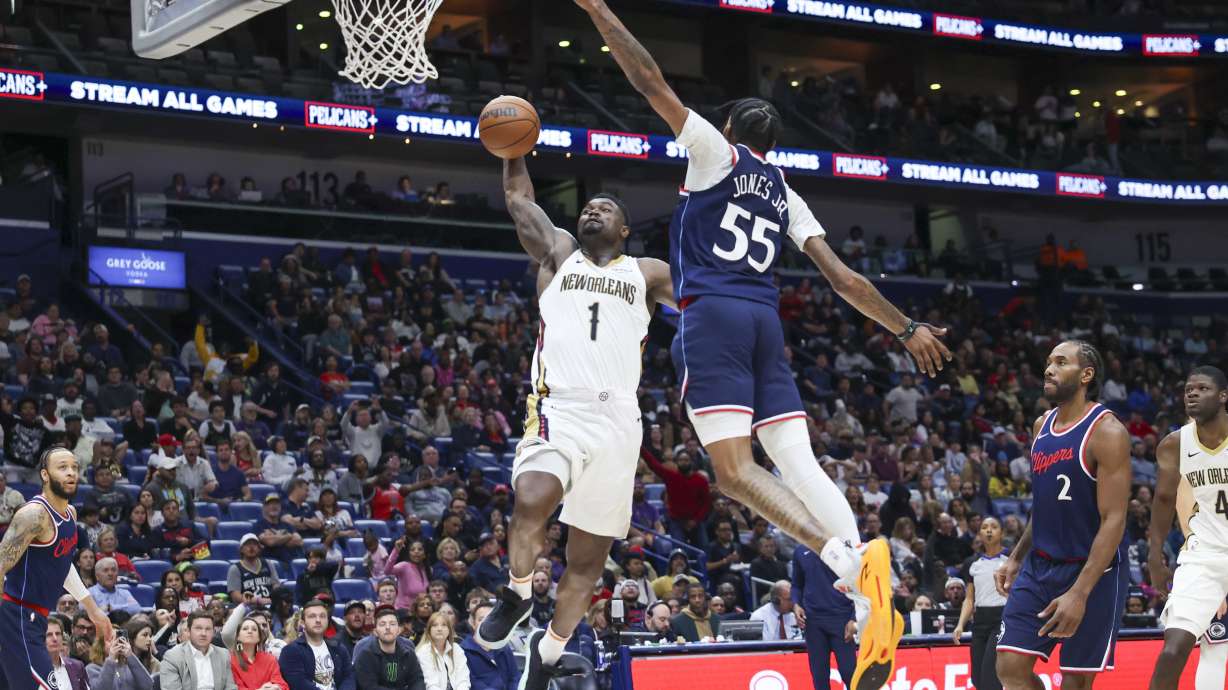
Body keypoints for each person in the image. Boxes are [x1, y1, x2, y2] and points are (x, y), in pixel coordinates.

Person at [575, 2, 952, 685]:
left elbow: (650, 81)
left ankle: (843, 562)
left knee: (732, 472)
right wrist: (906, 327)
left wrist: (600, 10)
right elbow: (843, 281)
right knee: (798, 463)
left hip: (715, 318)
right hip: (764, 322)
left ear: (728, 130)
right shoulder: (785, 194)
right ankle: (870, 600)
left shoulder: (714, 153)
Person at [473, 133, 674, 690]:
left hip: (619, 423)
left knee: (586, 563)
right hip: (559, 407)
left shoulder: (648, 273)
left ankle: (549, 652)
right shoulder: (558, 252)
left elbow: (704, 296)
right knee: (531, 498)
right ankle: (517, 592)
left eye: (605, 208)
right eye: (588, 206)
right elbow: (519, 200)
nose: (593, 211)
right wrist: (513, 149)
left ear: (624, 230)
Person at [995, 341, 1131, 690]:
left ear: (1086, 375)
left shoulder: (1108, 432)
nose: (1048, 369)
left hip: (1094, 571)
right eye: (1048, 363)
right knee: (1010, 667)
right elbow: (1044, 504)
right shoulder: (1041, 425)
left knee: (1075, 682)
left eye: (1060, 362)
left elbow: (1114, 519)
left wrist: (1080, 593)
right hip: (1040, 565)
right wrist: (1016, 557)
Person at [0, 447, 115, 689]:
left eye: (74, 467)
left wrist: (93, 610)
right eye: (62, 467)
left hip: (36, 619)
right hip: (16, 617)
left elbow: (62, 564)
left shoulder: (70, 514)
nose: (71, 472)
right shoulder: (34, 515)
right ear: (45, 474)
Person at [1147, 366, 1228, 690]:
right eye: (1188, 389)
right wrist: (1155, 556)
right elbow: (1164, 500)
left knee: (1216, 650)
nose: (1192, 393)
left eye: (1202, 388)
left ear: (1223, 396)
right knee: (1173, 649)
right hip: (1203, 556)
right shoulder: (1174, 444)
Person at [953, 517, 1008, 690]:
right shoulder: (972, 563)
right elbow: (969, 599)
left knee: (990, 675)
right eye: (984, 527)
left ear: (1001, 532)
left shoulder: (1011, 560)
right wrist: (960, 624)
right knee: (977, 679)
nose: (989, 530)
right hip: (979, 621)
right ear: (979, 534)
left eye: (994, 527)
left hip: (1002, 619)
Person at [792, 544, 855, 689]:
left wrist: (854, 618)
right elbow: (796, 585)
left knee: (849, 672)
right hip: (813, 621)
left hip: (841, 618)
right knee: (819, 676)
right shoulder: (800, 551)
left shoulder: (843, 546)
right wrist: (796, 604)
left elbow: (860, 585)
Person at [278, 599, 355, 690]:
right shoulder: (291, 651)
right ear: (303, 623)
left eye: (322, 616)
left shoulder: (339, 648)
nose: (318, 620)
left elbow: (349, 677)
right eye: (312, 616)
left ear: (327, 620)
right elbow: (299, 684)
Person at [160, 610, 238, 690]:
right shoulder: (172, 657)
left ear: (213, 632)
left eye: (208, 629)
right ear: (189, 631)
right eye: (198, 628)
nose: (203, 633)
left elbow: (230, 687)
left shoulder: (223, 655)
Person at [353, 606, 425, 690]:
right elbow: (369, 687)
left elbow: (417, 680)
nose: (388, 627)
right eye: (382, 624)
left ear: (398, 630)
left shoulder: (409, 653)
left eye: (392, 624)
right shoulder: (365, 655)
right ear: (375, 632)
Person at [461, 603, 517, 690]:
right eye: (481, 619)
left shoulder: (503, 647)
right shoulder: (463, 650)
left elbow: (514, 676)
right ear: (473, 624)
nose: (485, 623)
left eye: (490, 619)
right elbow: (471, 681)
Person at [230, 612, 289, 689]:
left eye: (254, 629)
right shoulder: (230, 660)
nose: (250, 631)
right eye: (245, 629)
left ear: (259, 637)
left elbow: (282, 684)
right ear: (238, 636)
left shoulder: (270, 659)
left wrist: (277, 687)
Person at [416, 611, 468, 690]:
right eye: (435, 625)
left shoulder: (457, 649)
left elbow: (463, 679)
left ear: (449, 630)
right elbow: (431, 684)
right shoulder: (423, 652)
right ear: (429, 630)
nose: (439, 629)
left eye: (444, 625)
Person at [227, 533, 280, 605]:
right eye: (247, 544)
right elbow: (235, 597)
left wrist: (275, 599)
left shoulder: (268, 564)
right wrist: (256, 600)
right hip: (247, 607)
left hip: (269, 604)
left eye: (254, 544)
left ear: (259, 548)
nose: (251, 547)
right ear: (241, 549)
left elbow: (276, 586)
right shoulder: (235, 569)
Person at [45, 616, 91, 690]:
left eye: (58, 634)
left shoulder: (77, 666)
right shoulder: (34, 669)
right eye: (49, 635)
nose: (55, 638)